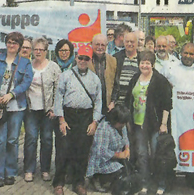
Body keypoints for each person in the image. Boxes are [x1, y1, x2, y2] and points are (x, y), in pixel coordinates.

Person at [0, 32, 33, 187]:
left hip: (16, 107)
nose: (12, 45)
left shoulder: (25, 63)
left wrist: (12, 94)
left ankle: (10, 171)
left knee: (12, 140)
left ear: (19, 46)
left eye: (15, 43)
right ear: (6, 43)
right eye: (10, 42)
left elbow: (26, 82)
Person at [53, 45, 103, 195]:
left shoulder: (95, 79)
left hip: (85, 117)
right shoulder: (66, 76)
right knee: (63, 150)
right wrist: (61, 120)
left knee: (82, 150)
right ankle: (59, 183)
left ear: (90, 60)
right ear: (76, 57)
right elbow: (58, 98)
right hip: (68, 116)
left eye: (86, 58)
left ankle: (78, 182)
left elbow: (98, 102)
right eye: (80, 57)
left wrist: (94, 122)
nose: (82, 61)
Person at [124, 50, 172, 195]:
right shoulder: (135, 79)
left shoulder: (160, 80)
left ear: (153, 64)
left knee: (158, 155)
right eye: (142, 63)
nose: (145, 66)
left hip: (156, 124)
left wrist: (164, 124)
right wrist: (128, 122)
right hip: (138, 124)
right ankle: (144, 184)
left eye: (148, 63)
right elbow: (128, 100)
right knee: (142, 154)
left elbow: (167, 104)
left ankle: (161, 184)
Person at [162, 43, 194, 191]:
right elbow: (162, 84)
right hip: (173, 115)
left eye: (191, 54)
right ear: (181, 53)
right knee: (172, 146)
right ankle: (170, 179)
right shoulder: (171, 68)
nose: (188, 56)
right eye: (185, 53)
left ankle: (191, 178)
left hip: (191, 117)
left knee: (191, 146)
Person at [23, 37, 61, 182]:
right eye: (36, 49)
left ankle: (45, 169)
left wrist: (54, 109)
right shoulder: (27, 65)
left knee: (46, 139)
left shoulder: (53, 67)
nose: (38, 52)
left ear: (46, 51)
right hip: (31, 109)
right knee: (31, 139)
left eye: (41, 49)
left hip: (47, 111)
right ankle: (29, 169)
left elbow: (58, 90)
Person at [86, 105, 131, 193]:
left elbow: (125, 139)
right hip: (101, 161)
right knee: (120, 171)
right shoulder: (104, 128)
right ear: (115, 120)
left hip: (116, 158)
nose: (123, 125)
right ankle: (97, 178)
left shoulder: (122, 125)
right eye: (122, 123)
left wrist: (127, 149)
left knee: (129, 171)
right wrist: (119, 155)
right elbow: (101, 152)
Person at [89, 34, 117, 115]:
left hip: (107, 106)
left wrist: (113, 102)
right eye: (97, 44)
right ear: (91, 44)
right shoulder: (86, 60)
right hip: (90, 106)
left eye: (102, 45)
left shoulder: (113, 61)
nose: (100, 47)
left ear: (106, 45)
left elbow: (116, 84)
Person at [109, 32, 139, 108]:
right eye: (127, 41)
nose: (129, 44)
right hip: (118, 102)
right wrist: (112, 100)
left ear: (137, 43)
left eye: (132, 42)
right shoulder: (116, 58)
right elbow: (112, 80)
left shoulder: (141, 58)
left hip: (136, 102)